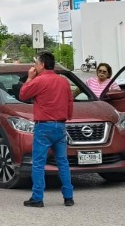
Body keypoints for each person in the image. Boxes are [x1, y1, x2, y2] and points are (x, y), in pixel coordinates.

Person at [19, 51, 74, 208]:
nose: (34, 67)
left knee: (38, 163)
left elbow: (23, 94)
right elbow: (69, 101)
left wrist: (30, 77)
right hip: (60, 125)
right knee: (62, 162)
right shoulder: (63, 81)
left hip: (43, 126)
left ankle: (37, 197)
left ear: (42, 65)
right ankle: (68, 196)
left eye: (36, 63)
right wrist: (67, 117)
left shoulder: (39, 80)